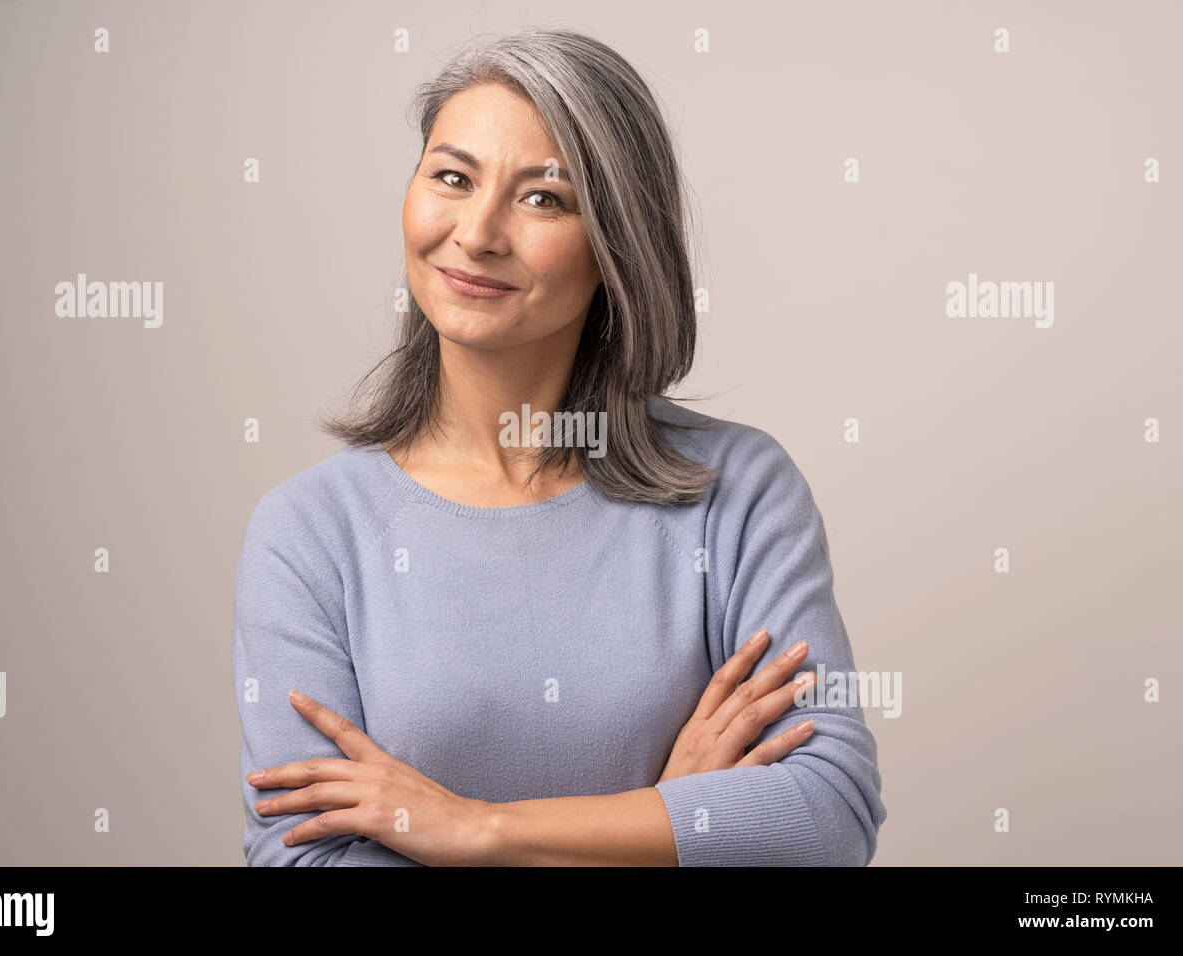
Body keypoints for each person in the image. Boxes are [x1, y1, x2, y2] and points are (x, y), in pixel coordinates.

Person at [232, 27, 885, 865]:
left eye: (544, 198)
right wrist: (667, 818)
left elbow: (827, 819)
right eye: (452, 178)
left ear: (617, 246)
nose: (476, 233)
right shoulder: (308, 534)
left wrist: (474, 830)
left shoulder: (740, 493)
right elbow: (304, 859)